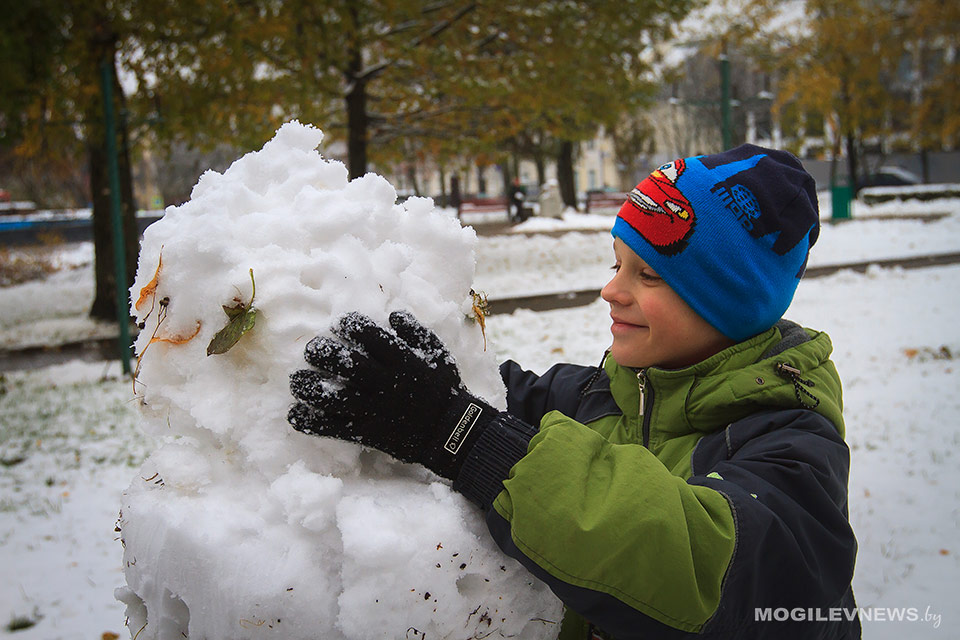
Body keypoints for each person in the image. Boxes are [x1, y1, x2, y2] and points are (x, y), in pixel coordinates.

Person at [288, 144, 860, 639]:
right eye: (617, 265)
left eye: (648, 274)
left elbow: (706, 569)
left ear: (730, 302)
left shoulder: (791, 441)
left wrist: (459, 433)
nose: (611, 290)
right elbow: (478, 392)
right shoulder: (596, 396)